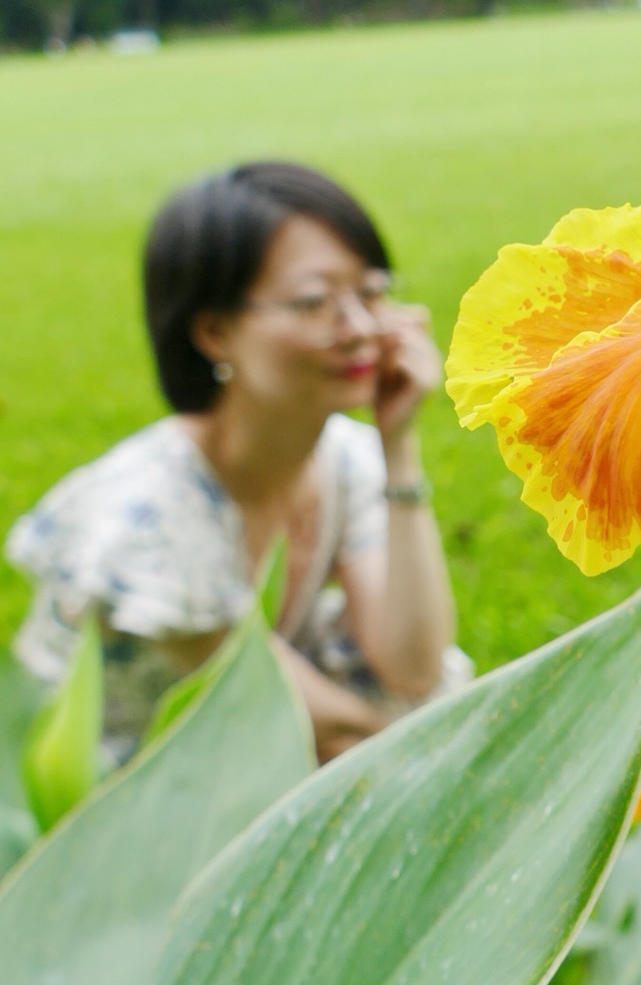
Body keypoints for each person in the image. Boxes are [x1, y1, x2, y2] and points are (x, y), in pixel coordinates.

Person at [7, 161, 470, 764]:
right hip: (113, 799)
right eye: (315, 302)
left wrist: (399, 448)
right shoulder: (153, 514)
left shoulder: (347, 460)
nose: (359, 329)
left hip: (232, 756)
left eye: (372, 292)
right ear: (214, 334)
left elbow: (414, 668)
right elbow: (330, 731)